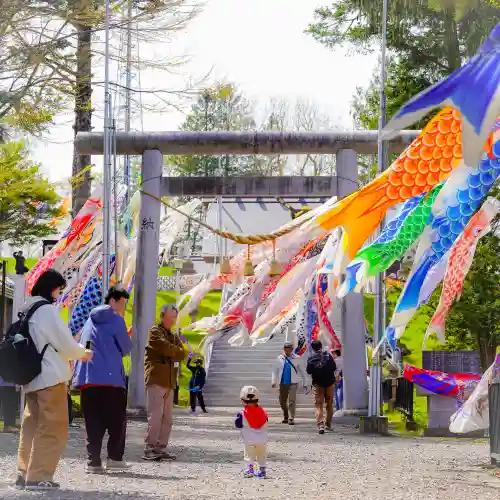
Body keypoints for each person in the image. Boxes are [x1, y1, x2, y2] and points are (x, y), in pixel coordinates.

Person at [15, 269, 93, 491]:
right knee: (52, 428)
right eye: (59, 288)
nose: (60, 293)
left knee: (31, 426)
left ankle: (24, 473)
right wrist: (83, 353)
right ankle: (38, 476)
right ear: (52, 288)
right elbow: (66, 345)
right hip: (50, 378)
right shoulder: (47, 310)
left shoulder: (27, 306)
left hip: (31, 378)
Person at [73, 285, 133, 474]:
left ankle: (94, 462)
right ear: (113, 301)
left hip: (88, 378)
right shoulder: (117, 320)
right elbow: (125, 348)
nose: (123, 308)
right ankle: (114, 458)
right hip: (111, 379)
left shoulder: (89, 321)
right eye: (122, 303)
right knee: (117, 421)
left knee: (93, 421)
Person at [143, 304, 186, 460]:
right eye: (170, 317)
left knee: (167, 419)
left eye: (174, 317)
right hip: (156, 379)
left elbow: (182, 354)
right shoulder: (155, 332)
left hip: (169, 381)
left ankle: (161, 448)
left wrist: (173, 351)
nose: (172, 320)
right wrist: (173, 351)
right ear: (162, 317)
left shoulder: (173, 336)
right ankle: (149, 448)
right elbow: (164, 347)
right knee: (155, 417)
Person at [235, 386, 268, 478]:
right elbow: (266, 421)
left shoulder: (241, 413)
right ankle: (262, 470)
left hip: (249, 439)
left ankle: (250, 470)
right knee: (261, 454)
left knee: (249, 455)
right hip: (262, 439)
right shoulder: (263, 411)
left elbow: (238, 424)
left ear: (243, 400)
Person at [271, 341, 307, 425]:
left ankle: (291, 418)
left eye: (289, 348)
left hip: (293, 383)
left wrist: (305, 382)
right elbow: (274, 370)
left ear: (292, 349)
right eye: (286, 348)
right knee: (282, 401)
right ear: (284, 349)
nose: (288, 350)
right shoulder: (279, 358)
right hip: (282, 383)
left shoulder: (297, 358)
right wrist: (273, 381)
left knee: (292, 400)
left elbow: (302, 372)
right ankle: (286, 415)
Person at [306, 340, 336, 435]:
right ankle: (328, 424)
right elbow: (334, 367)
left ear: (313, 348)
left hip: (318, 384)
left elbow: (308, 371)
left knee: (319, 405)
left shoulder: (311, 358)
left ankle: (320, 425)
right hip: (329, 383)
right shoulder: (328, 356)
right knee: (329, 404)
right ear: (321, 346)